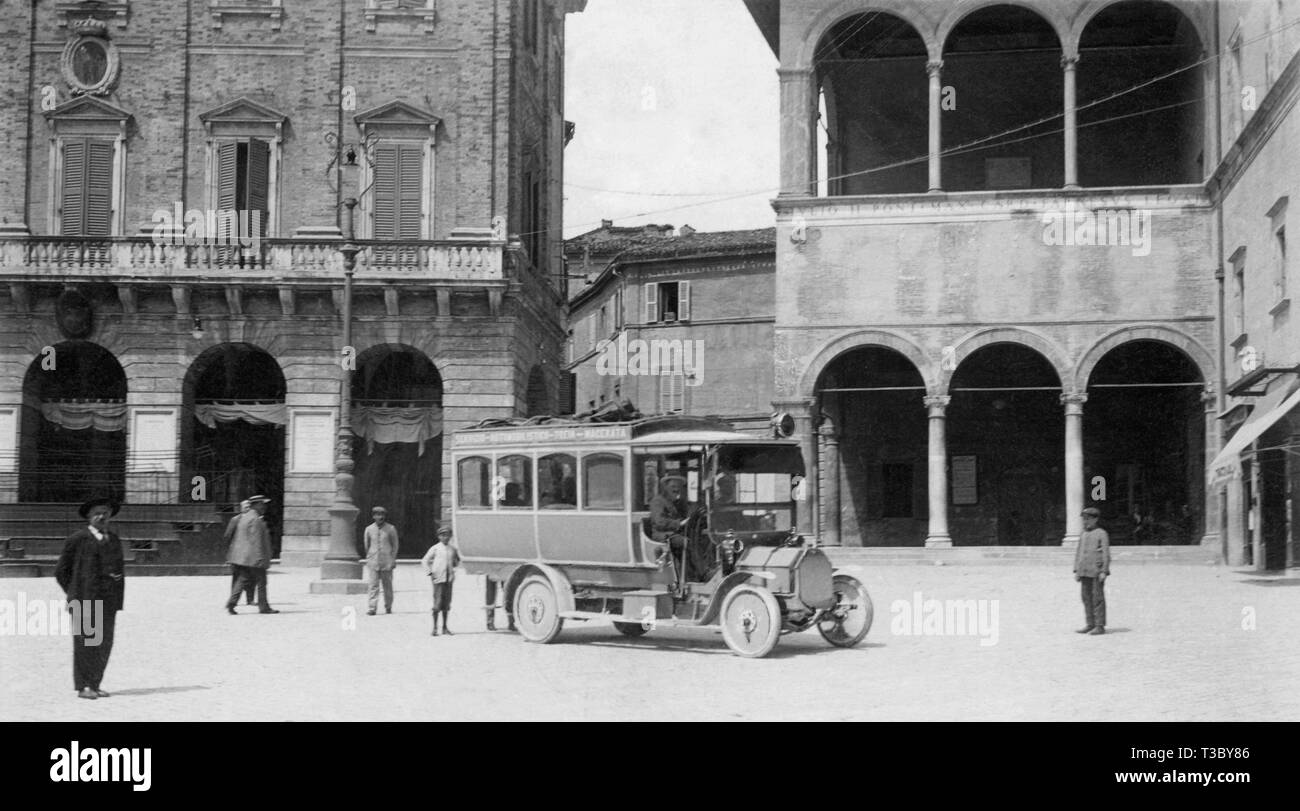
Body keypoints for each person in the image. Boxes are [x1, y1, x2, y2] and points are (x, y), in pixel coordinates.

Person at [54, 496, 125, 700]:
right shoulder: (77, 539)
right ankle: (83, 686)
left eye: (106, 512)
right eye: (97, 513)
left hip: (108, 602)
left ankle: (95, 683)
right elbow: (61, 571)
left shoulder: (114, 539)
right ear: (88, 516)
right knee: (85, 644)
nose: (102, 516)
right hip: (83, 600)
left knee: (104, 644)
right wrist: (76, 590)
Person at [225, 495, 278, 615]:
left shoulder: (245, 518)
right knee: (262, 583)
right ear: (256, 504)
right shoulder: (255, 519)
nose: (264, 506)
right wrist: (260, 558)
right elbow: (257, 540)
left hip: (244, 557)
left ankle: (231, 603)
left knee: (242, 580)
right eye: (262, 504)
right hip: (254, 557)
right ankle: (264, 607)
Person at [649, 474, 709, 580]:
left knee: (703, 539)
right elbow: (659, 522)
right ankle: (703, 573)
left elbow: (687, 516)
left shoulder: (678, 503)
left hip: (675, 534)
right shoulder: (657, 501)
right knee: (686, 543)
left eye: (678, 486)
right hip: (662, 535)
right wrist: (679, 523)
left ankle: (694, 574)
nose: (676, 489)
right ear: (665, 487)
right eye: (673, 486)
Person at [1073, 507, 1111, 635]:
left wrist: (1104, 571)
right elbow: (1079, 552)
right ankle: (1090, 624)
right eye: (1084, 519)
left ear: (1096, 519)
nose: (1085, 522)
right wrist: (1076, 570)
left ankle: (1099, 625)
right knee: (1086, 598)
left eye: (1088, 519)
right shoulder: (1083, 534)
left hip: (1096, 571)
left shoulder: (1101, 533)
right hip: (1084, 571)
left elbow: (1106, 553)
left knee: (1097, 598)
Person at [421, 525, 460, 636]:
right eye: (443, 535)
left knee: (446, 603)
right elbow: (425, 560)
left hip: (449, 578)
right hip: (438, 578)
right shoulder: (435, 548)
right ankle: (434, 628)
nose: (445, 538)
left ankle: (445, 627)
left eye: (447, 535)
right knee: (437, 603)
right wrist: (430, 572)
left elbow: (456, 561)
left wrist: (454, 567)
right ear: (439, 536)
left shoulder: (452, 549)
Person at [364, 506, 400, 615]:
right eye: (377, 515)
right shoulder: (369, 529)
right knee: (373, 585)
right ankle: (372, 608)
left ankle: (388, 606)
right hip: (374, 561)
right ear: (373, 516)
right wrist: (369, 557)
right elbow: (367, 545)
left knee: (387, 586)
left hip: (387, 561)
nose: (380, 517)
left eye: (382, 515)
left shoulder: (391, 529)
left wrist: (392, 558)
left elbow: (395, 545)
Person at [224, 499, 256, 606]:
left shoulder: (254, 519)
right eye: (245, 507)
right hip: (237, 553)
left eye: (249, 507)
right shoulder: (235, 520)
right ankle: (233, 600)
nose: (248, 508)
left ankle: (250, 599)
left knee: (252, 576)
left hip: (249, 554)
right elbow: (228, 536)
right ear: (241, 508)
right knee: (236, 577)